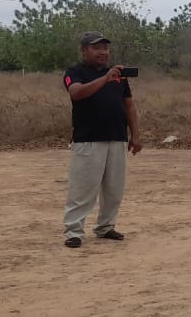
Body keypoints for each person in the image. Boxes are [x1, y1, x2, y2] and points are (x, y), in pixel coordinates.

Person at [61, 31, 142, 248]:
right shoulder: (75, 72)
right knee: (83, 189)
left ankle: (106, 227)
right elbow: (76, 93)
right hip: (88, 139)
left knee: (114, 188)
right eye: (97, 48)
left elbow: (129, 105)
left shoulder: (119, 76)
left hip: (117, 138)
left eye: (105, 48)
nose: (103, 52)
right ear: (84, 50)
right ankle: (74, 231)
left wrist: (135, 135)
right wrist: (106, 79)